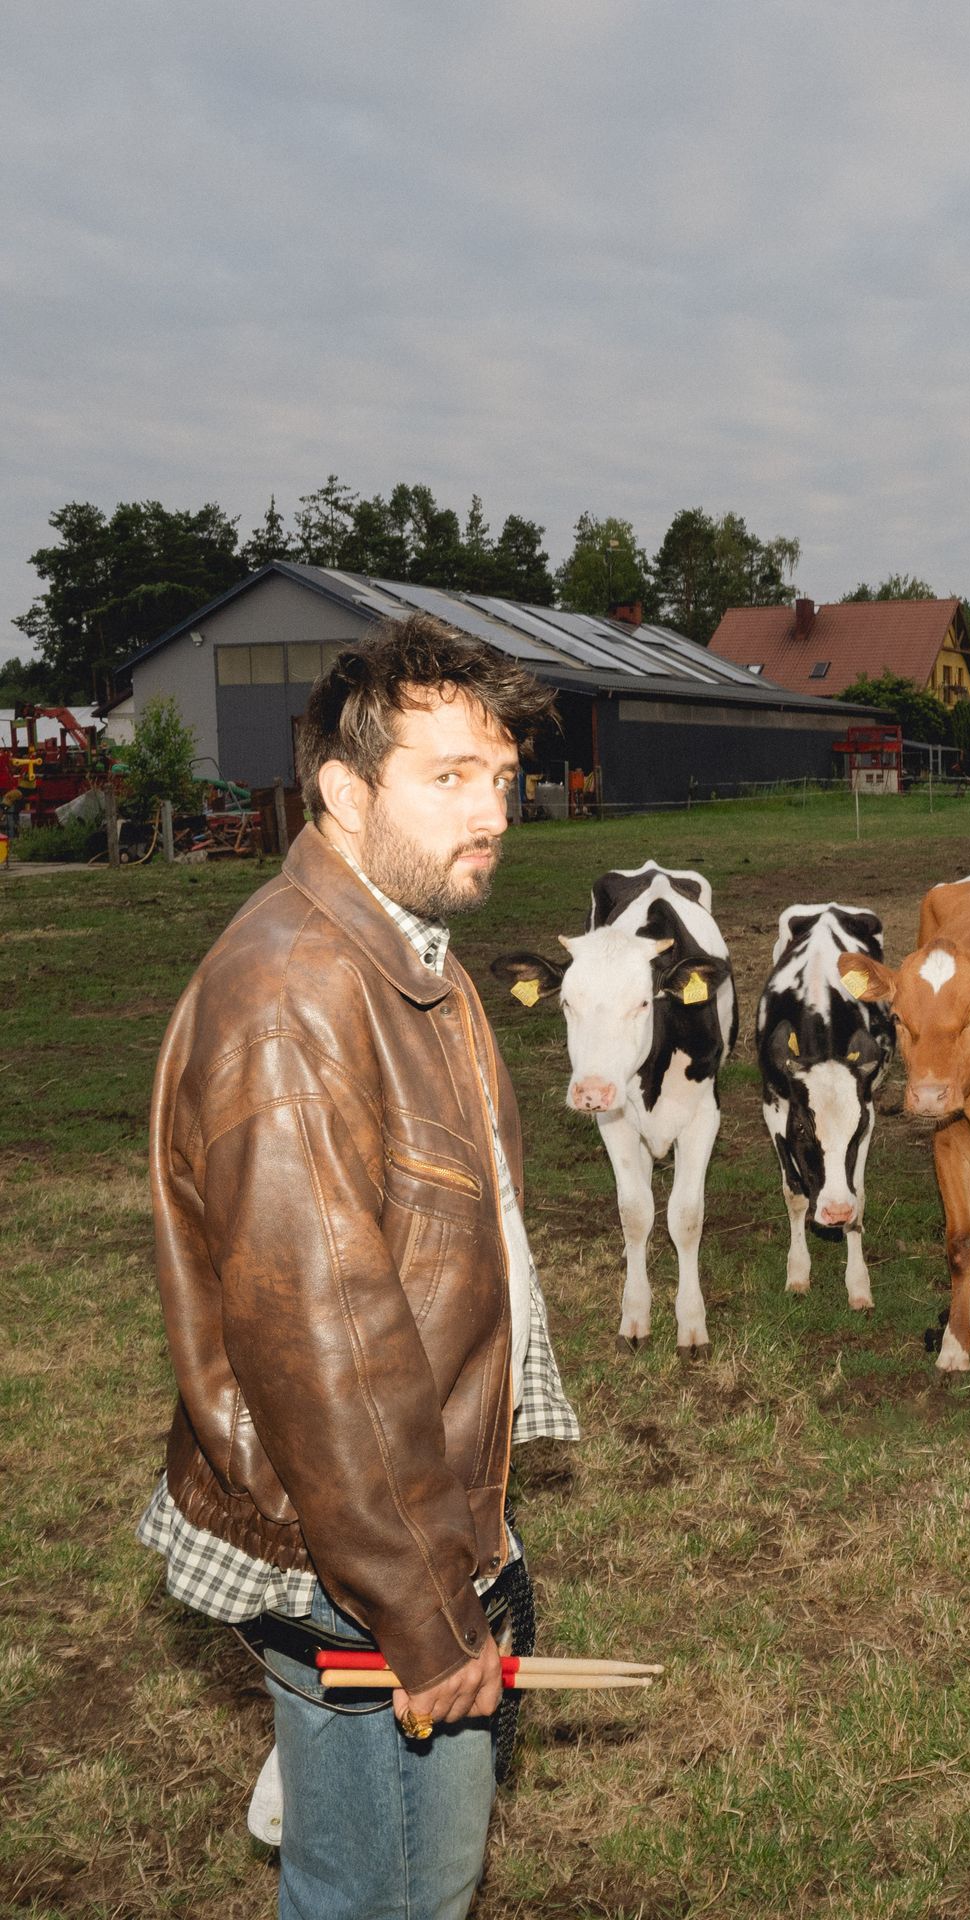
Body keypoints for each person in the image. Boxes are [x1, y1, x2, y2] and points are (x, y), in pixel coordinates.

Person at [138, 614, 580, 1919]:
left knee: (369, 1881)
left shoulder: (407, 960)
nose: (491, 811)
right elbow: (327, 1351)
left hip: (394, 1533)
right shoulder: (295, 1002)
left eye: (501, 778)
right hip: (355, 1564)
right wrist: (430, 1612)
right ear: (342, 787)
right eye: (448, 777)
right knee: (390, 1895)